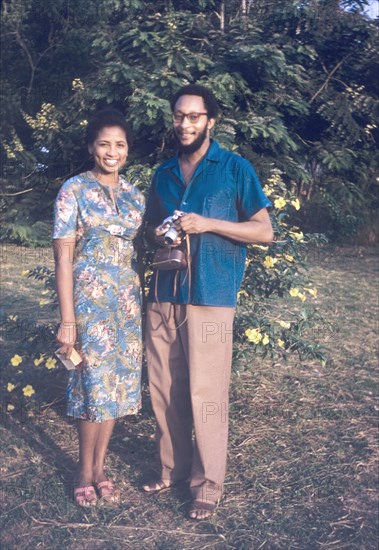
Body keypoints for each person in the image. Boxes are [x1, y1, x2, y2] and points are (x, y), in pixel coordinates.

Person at [142, 84, 274, 520]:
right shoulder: (162, 173)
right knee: (165, 390)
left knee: (207, 393)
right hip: (164, 293)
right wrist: (162, 233)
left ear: (210, 121)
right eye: (179, 116)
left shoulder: (234, 168)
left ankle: (208, 482)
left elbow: (263, 230)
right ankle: (173, 469)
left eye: (194, 117)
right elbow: (150, 228)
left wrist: (208, 224)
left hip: (211, 295)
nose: (185, 124)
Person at [53, 109, 145, 507]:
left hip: (126, 304)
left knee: (117, 388)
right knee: (91, 387)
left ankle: (100, 467)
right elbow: (63, 257)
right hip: (88, 305)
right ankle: (82, 470)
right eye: (104, 143)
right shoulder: (72, 190)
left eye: (120, 144)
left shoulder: (135, 195)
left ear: (127, 150)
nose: (112, 151)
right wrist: (68, 319)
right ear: (92, 147)